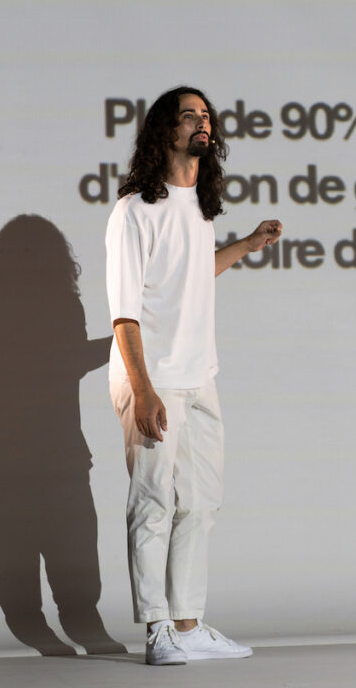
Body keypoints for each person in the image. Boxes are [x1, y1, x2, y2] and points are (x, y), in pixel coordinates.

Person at [105, 86, 281, 666]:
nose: (202, 123)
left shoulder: (198, 208)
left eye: (206, 116)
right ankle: (158, 629)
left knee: (201, 502)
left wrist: (248, 245)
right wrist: (144, 389)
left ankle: (187, 624)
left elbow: (194, 275)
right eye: (189, 116)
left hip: (200, 376)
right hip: (151, 380)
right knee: (153, 502)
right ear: (165, 131)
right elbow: (124, 312)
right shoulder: (134, 210)